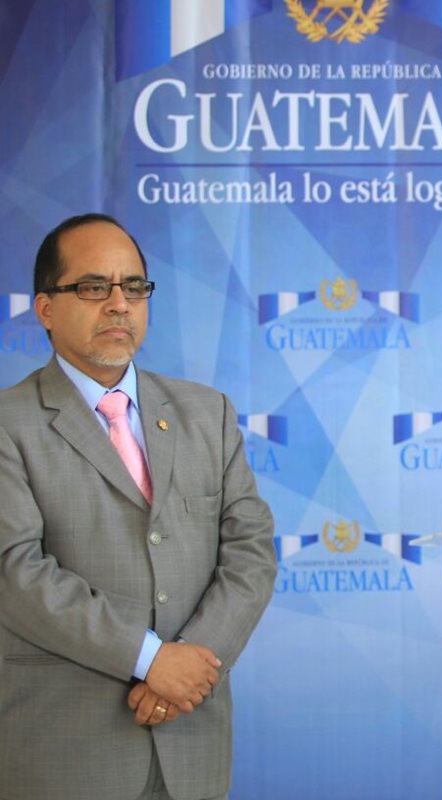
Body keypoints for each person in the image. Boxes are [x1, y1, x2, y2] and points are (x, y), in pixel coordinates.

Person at [0, 214, 277, 800]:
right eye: (93, 287)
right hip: (66, 753)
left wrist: (191, 670)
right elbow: (14, 572)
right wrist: (150, 659)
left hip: (190, 739)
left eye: (134, 287)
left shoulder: (209, 413)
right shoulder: (10, 424)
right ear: (46, 308)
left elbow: (250, 553)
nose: (118, 304)